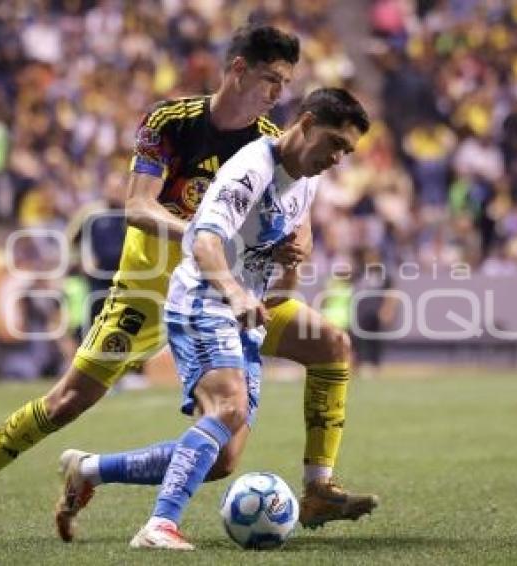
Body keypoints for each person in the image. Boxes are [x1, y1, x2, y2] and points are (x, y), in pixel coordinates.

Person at [0, 24, 376, 540]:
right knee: (67, 401)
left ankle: (312, 487)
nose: (277, 93)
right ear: (238, 70)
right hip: (150, 291)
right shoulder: (171, 122)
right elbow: (137, 207)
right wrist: (210, 235)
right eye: (270, 79)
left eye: (284, 83)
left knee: (309, 366)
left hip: (232, 290)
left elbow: (295, 223)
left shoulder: (273, 144)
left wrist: (291, 249)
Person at [118, 87, 371, 549]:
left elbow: (283, 264)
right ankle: (158, 527)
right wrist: (234, 292)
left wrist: (291, 263)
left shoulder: (306, 174)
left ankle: (317, 489)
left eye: (347, 151)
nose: (338, 158)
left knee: (226, 456)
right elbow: (204, 239)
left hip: (248, 306)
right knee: (229, 409)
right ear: (307, 123)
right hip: (205, 297)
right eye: (334, 143)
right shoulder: (250, 168)